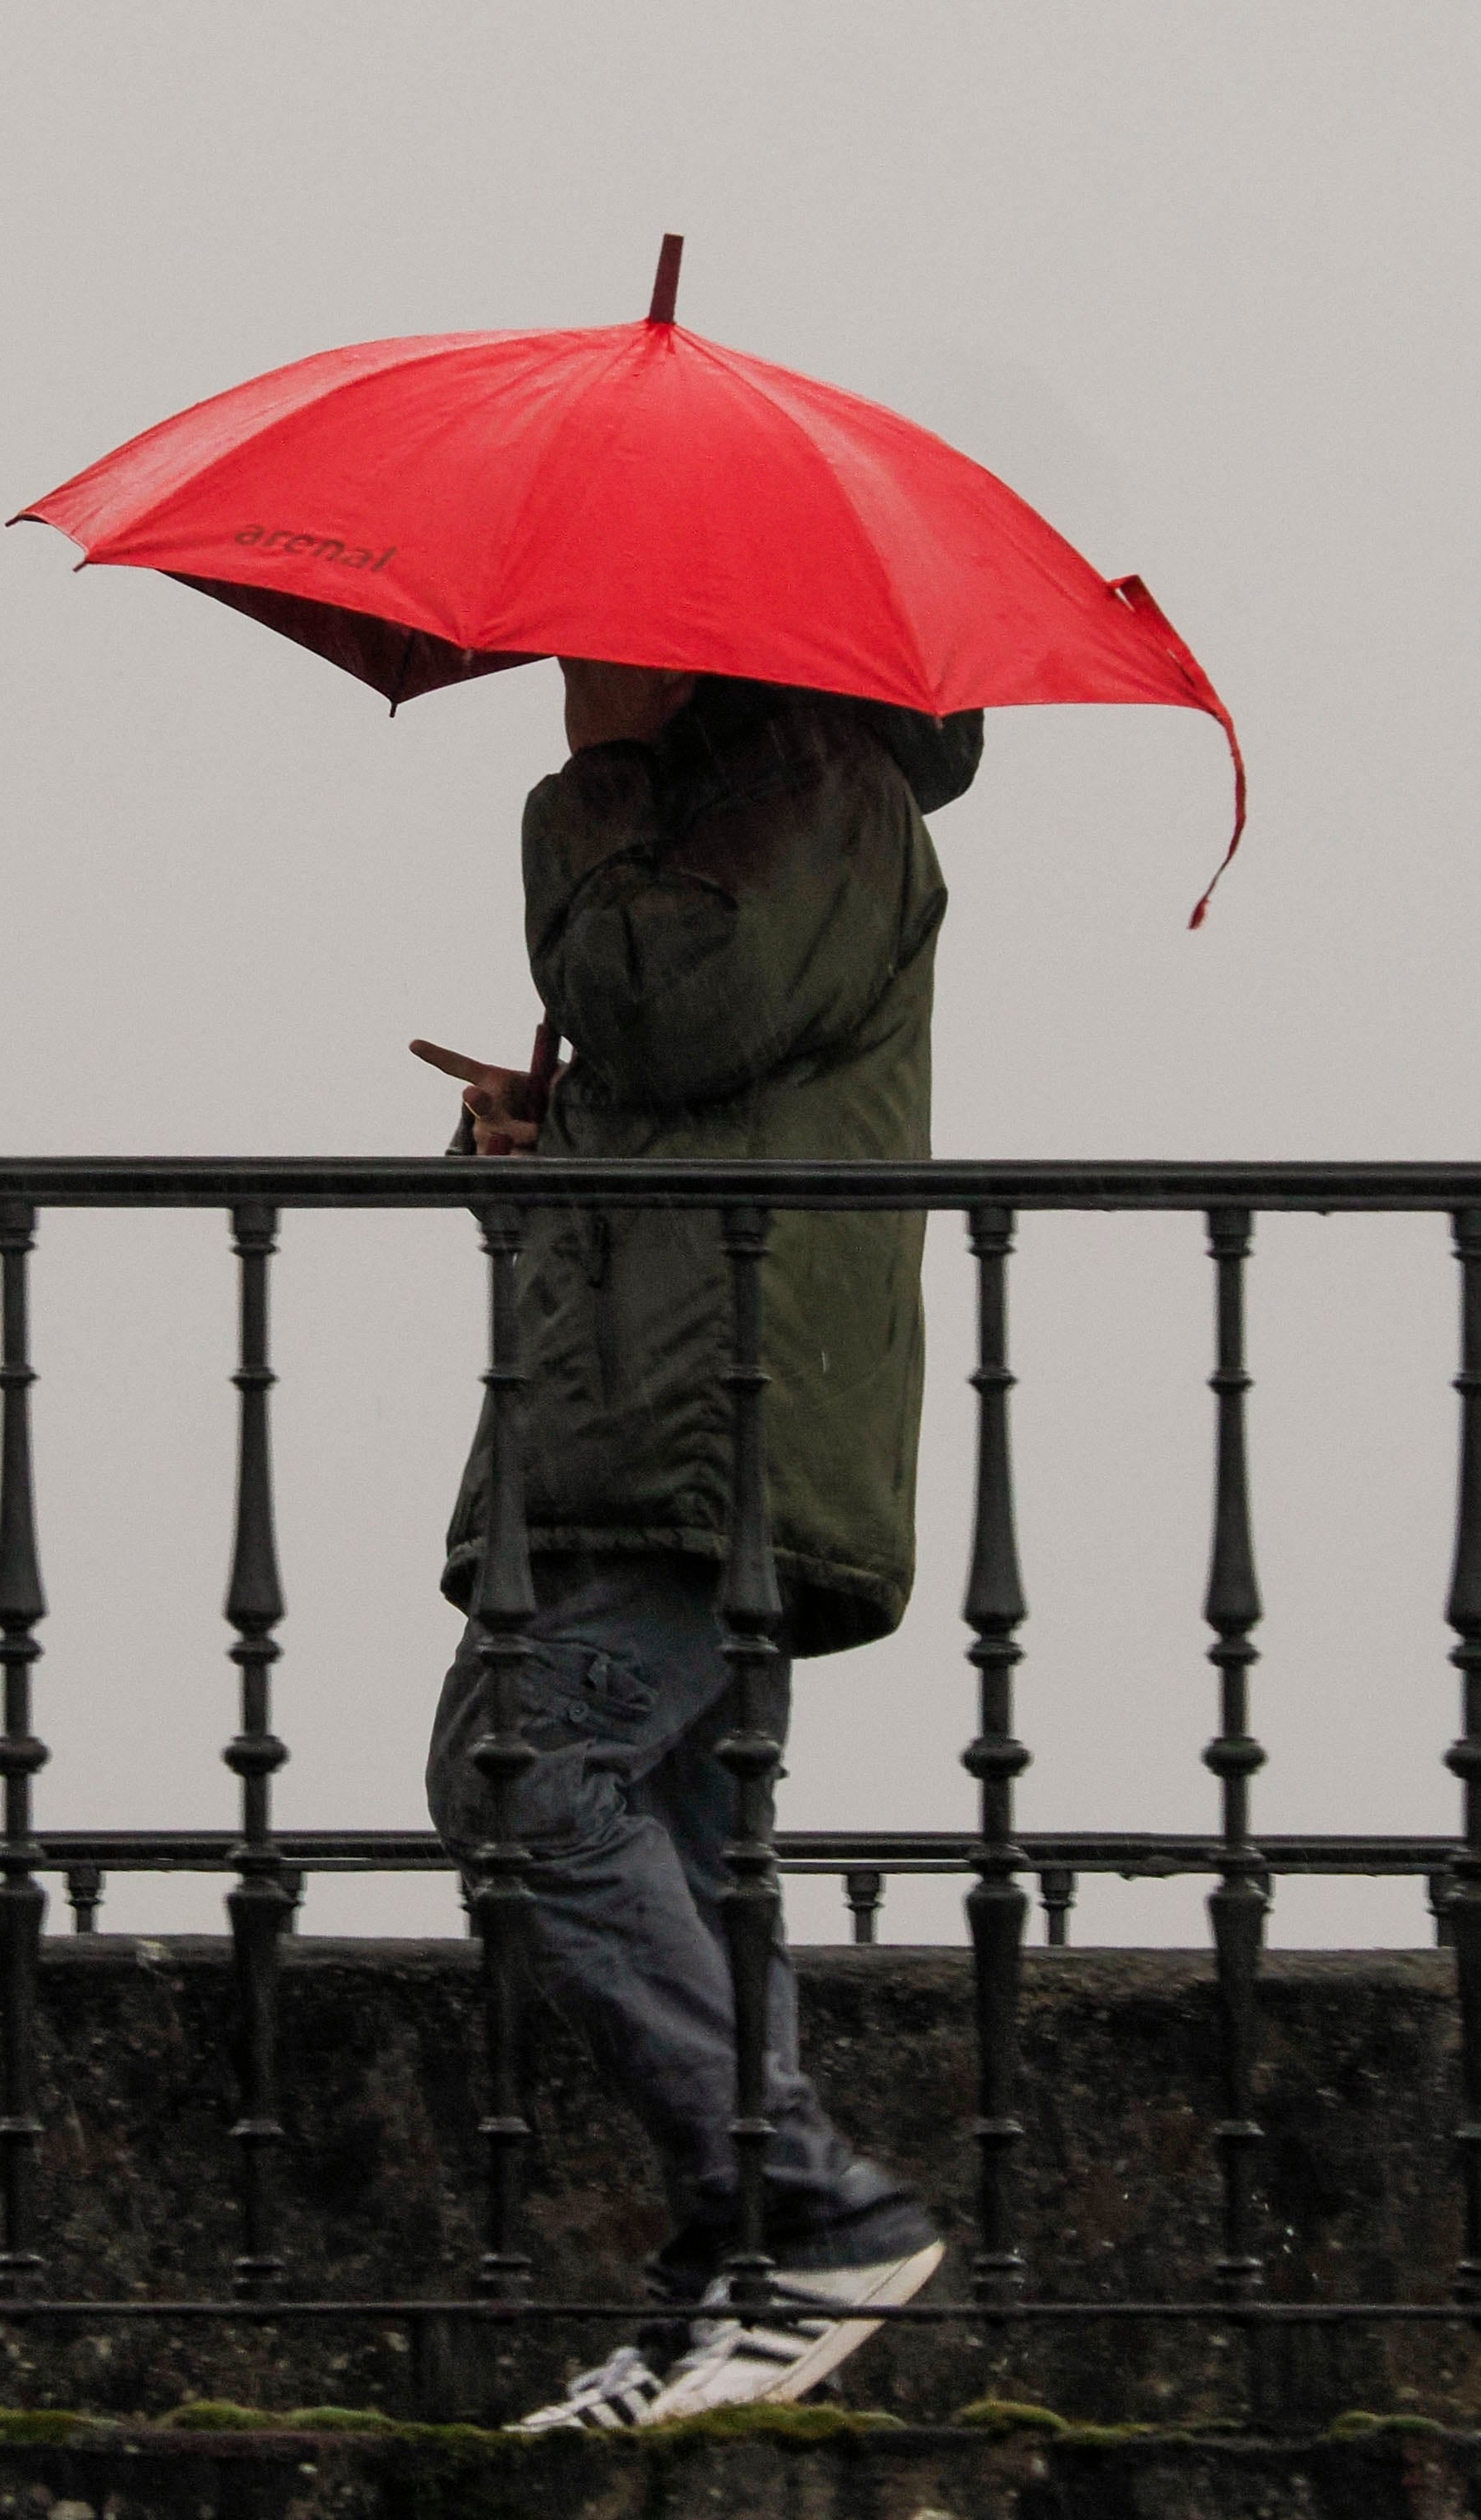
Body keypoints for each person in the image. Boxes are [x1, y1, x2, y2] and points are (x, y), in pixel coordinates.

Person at [408, 655, 978, 2430]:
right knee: (686, 1832)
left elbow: (667, 1000)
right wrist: (537, 1140)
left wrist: (595, 778)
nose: (573, 664)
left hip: (720, 1414)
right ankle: (749, 2272)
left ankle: (814, 2208)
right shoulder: (728, 799)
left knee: (522, 1755)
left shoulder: (815, 789)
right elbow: (680, 1073)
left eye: (598, 638)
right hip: (654, 1417)